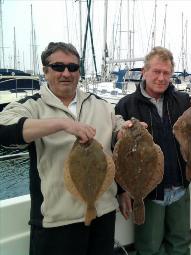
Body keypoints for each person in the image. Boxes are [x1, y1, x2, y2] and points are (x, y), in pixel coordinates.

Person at [0, 42, 130, 255]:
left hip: (104, 213)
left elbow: (118, 128)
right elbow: (3, 126)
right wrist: (62, 124)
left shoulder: (101, 104)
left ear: (79, 72)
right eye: (58, 66)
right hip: (57, 221)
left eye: (73, 67)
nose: (66, 73)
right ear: (46, 70)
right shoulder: (33, 105)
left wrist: (126, 129)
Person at [115, 46, 191, 255]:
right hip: (148, 193)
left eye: (166, 73)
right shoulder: (125, 106)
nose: (161, 77)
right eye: (156, 72)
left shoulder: (184, 101)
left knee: (181, 244)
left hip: (180, 185)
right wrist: (122, 190)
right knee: (149, 248)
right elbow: (116, 153)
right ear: (144, 71)